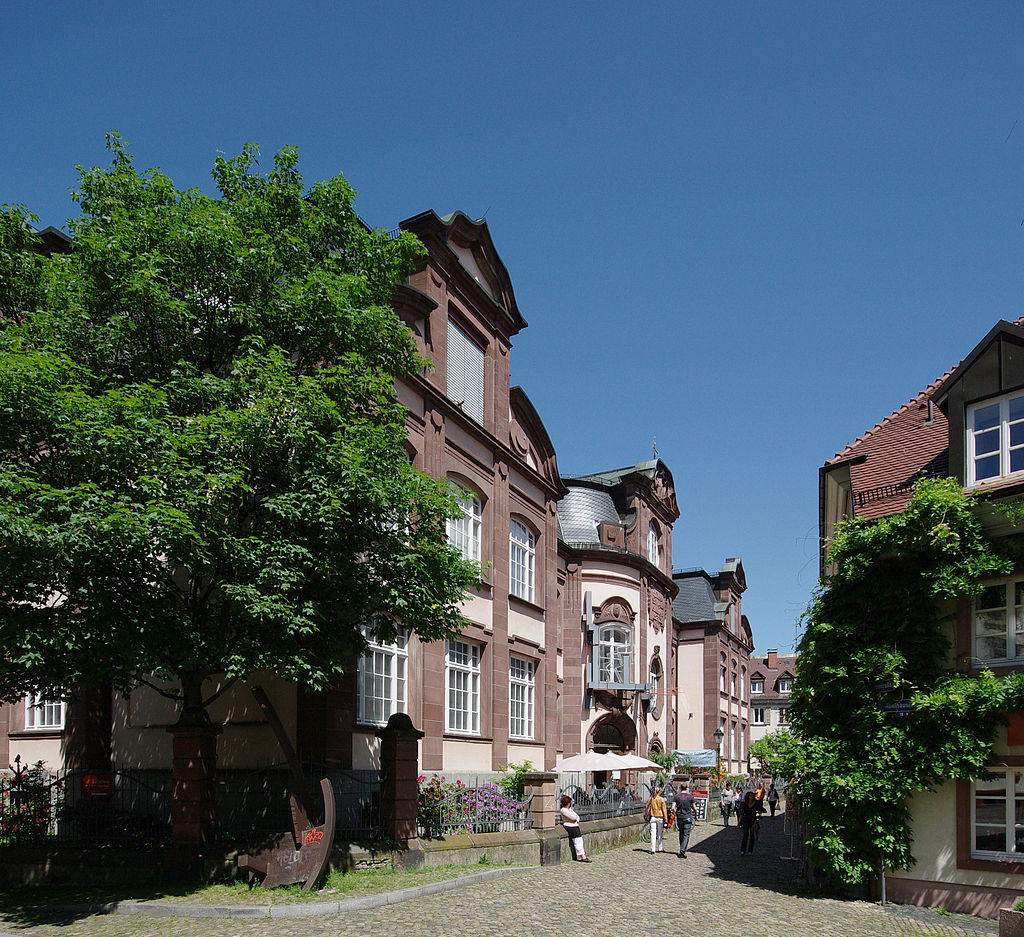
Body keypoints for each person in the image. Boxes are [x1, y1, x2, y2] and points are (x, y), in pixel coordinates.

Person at [560, 794, 591, 862]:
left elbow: (577, 817)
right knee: (577, 841)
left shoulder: (569, 809)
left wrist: (576, 819)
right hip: (570, 827)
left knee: (579, 840)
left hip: (575, 826)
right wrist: (576, 819)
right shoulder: (563, 810)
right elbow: (574, 818)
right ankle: (583, 856)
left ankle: (583, 856)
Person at [672, 781, 696, 858]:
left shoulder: (676, 796)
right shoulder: (690, 797)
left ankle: (681, 848)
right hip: (688, 817)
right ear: (687, 788)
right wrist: (695, 815)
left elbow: (673, 807)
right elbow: (695, 808)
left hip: (680, 817)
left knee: (681, 833)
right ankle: (683, 849)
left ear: (680, 788)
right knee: (686, 834)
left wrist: (676, 813)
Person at [645, 785, 669, 853]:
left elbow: (647, 805)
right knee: (659, 833)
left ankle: (653, 849)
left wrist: (647, 811)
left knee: (653, 833)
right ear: (660, 791)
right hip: (660, 817)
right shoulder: (661, 799)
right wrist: (666, 819)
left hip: (653, 817)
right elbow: (664, 810)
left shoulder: (652, 798)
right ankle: (660, 847)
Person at [739, 790, 759, 855]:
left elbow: (760, 810)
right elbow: (742, 814)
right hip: (746, 820)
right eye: (750, 796)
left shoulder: (755, 803)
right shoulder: (745, 804)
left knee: (752, 835)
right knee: (745, 834)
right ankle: (743, 850)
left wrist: (759, 816)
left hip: (753, 820)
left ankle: (750, 850)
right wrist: (739, 823)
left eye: (752, 796)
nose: (751, 797)